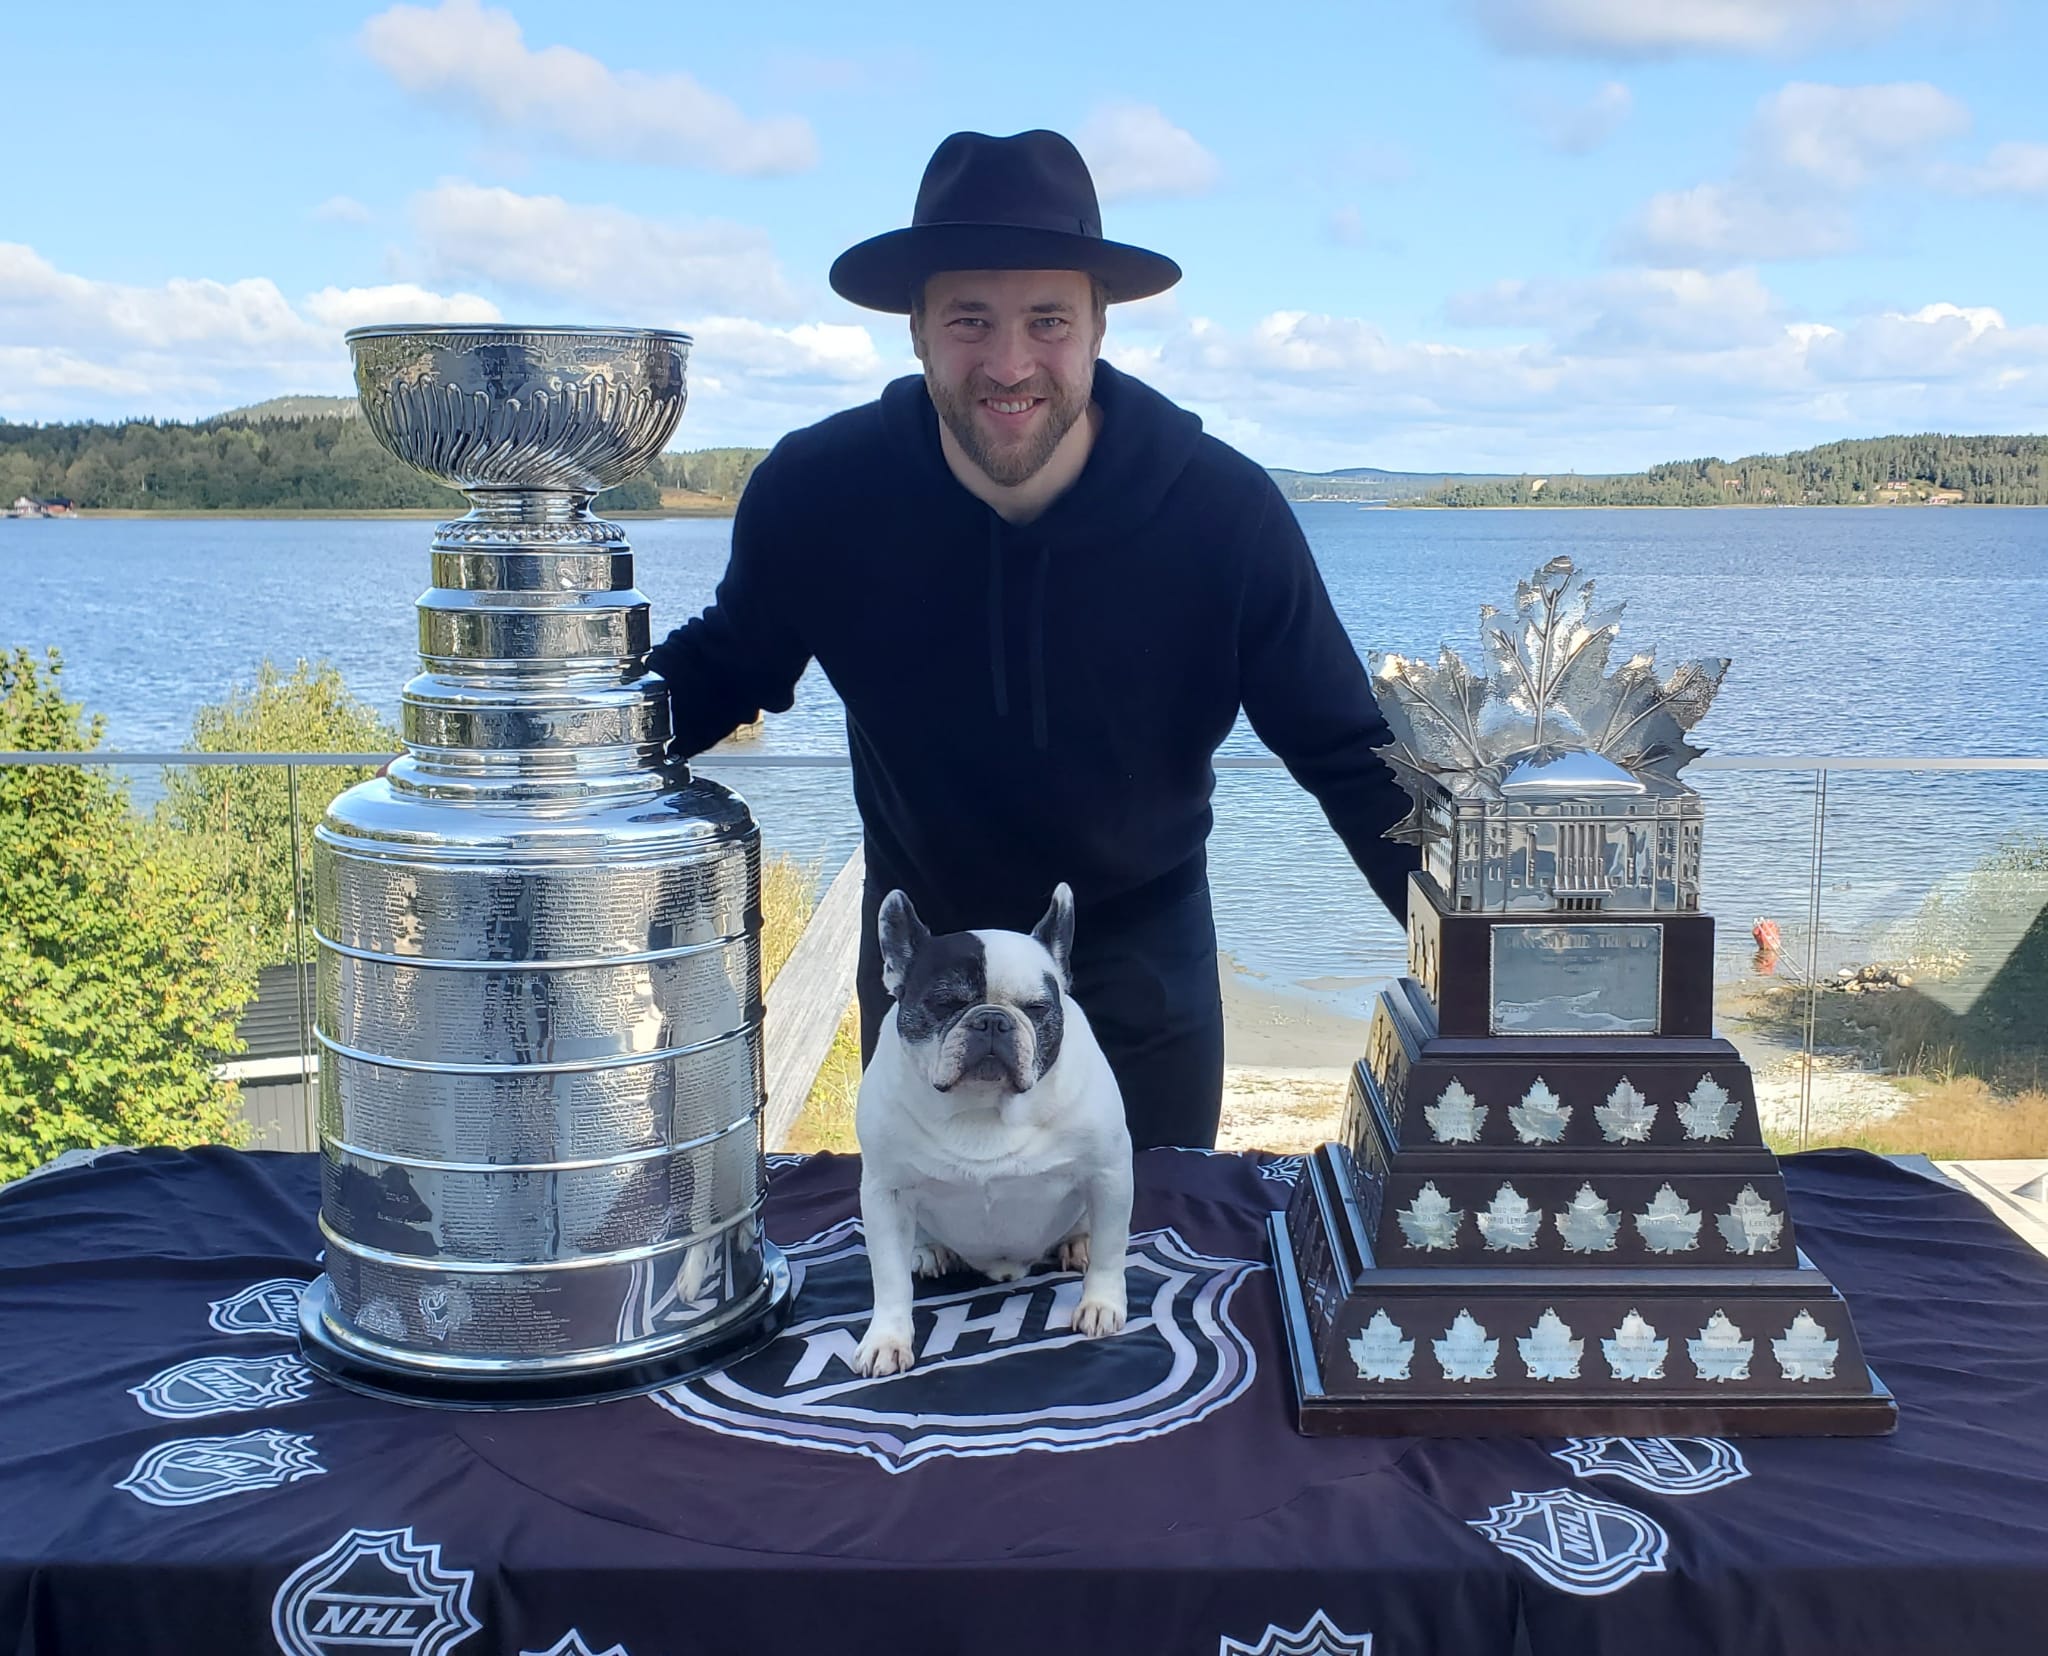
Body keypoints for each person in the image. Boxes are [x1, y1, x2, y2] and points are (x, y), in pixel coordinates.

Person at [648, 128, 1418, 1151]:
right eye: (970, 319)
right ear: (916, 329)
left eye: (1046, 320)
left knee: (1139, 1286)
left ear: (1098, 326)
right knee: (928, 1292)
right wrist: (518, 769)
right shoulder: (819, 496)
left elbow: (1352, 763)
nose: (1008, 364)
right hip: (926, 983)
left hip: (1141, 987)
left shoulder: (1222, 517)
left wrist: (1508, 982)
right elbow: (715, 672)